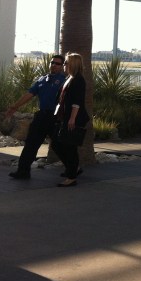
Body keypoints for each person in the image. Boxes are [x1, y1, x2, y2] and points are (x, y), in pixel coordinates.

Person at [4, 54, 66, 179]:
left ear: (62, 66)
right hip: (41, 116)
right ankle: (23, 171)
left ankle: (73, 168)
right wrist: (15, 107)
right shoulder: (42, 79)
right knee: (31, 143)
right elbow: (29, 94)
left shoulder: (64, 80)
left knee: (59, 145)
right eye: (52, 62)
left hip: (55, 117)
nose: (54, 65)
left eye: (57, 63)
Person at [52, 52, 89, 187]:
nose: (64, 65)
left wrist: (72, 118)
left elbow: (77, 102)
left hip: (73, 118)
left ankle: (71, 176)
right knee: (58, 144)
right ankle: (72, 169)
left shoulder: (78, 80)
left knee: (69, 147)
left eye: (66, 63)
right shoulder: (69, 78)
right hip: (64, 117)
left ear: (73, 64)